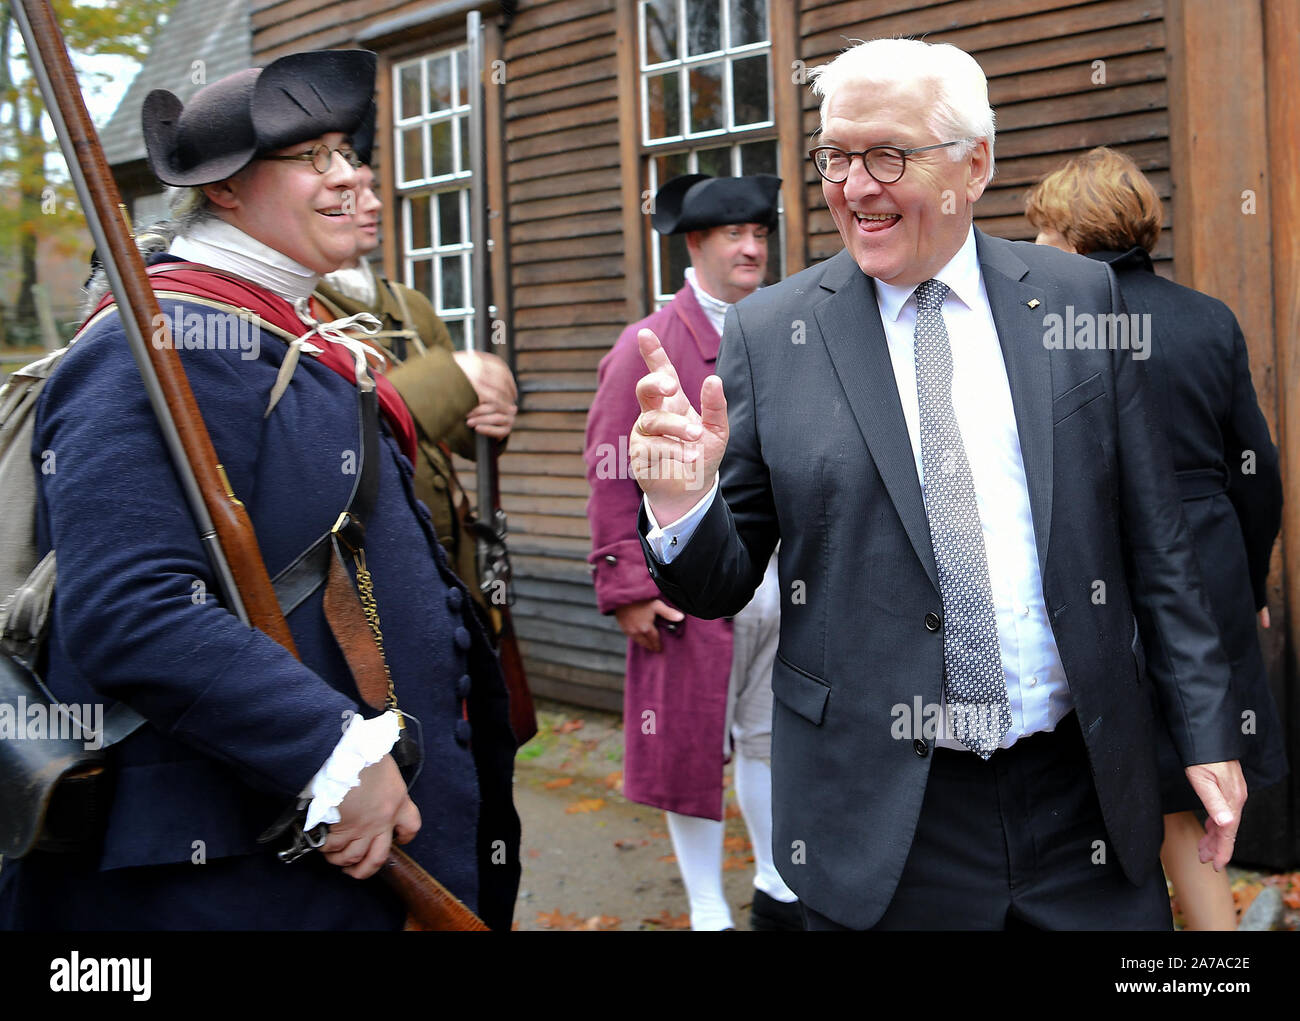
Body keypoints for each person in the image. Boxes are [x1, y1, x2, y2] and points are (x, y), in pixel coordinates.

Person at [627, 37, 1247, 930]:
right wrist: (683, 503)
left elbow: (1158, 541)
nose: (854, 185)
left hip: (1085, 800)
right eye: (836, 155)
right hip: (883, 817)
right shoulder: (774, 332)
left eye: (888, 154)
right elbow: (723, 582)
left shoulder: (1077, 298)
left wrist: (1206, 728)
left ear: (975, 163)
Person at [0, 49, 519, 930]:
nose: (352, 176)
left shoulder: (281, 327)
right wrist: (328, 750)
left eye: (349, 152)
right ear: (227, 191)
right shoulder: (157, 344)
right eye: (313, 157)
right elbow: (131, 606)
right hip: (239, 869)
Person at [1025, 146, 1286, 930]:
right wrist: (1250, 578)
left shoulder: (1056, 325)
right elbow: (1258, 471)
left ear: (1072, 230)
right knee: (1192, 786)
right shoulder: (1208, 317)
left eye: (1041, 230)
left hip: (1103, 575)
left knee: (1132, 784)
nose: (1032, 247)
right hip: (1207, 572)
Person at [585, 173, 801, 930]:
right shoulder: (649, 344)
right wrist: (630, 581)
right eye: (734, 236)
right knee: (689, 745)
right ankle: (708, 908)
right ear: (696, 244)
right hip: (687, 584)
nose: (752, 248)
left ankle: (778, 881)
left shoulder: (784, 326)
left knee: (774, 740)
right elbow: (612, 466)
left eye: (760, 233)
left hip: (782, 583)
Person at [314, 154, 519, 615]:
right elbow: (329, 432)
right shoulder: (303, 309)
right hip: (366, 565)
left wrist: (493, 414)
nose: (375, 205)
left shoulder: (410, 306)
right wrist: (447, 381)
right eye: (353, 194)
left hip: (446, 555)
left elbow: (466, 437)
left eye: (371, 189)